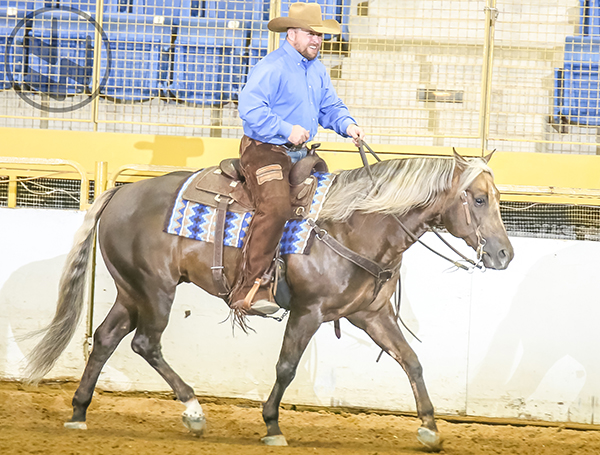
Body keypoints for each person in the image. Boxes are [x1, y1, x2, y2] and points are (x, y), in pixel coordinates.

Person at [230, 2, 365, 315]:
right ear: (291, 34)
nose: (316, 40)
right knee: (276, 207)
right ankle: (251, 285)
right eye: (310, 34)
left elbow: (330, 107)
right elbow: (250, 109)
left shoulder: (315, 69)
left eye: (319, 35)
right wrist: (286, 129)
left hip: (299, 154)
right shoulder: (272, 67)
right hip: (264, 149)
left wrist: (347, 125)